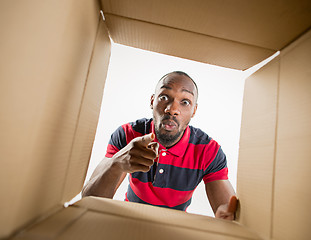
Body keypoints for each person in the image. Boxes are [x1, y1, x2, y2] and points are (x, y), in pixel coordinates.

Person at [82, 71, 237, 220]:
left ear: (194, 110)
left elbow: (227, 209)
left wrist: (226, 214)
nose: (172, 109)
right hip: (128, 220)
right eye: (164, 97)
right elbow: (89, 200)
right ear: (152, 101)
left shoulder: (209, 150)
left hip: (176, 228)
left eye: (185, 102)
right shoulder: (127, 134)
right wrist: (116, 164)